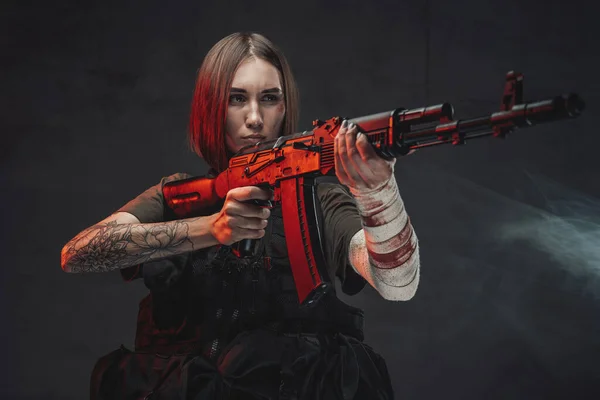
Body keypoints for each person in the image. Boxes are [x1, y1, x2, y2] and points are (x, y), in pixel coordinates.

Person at [61, 32, 420, 400]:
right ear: (211, 107)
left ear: (284, 107)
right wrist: (211, 229)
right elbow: (77, 254)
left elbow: (398, 284)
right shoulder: (180, 195)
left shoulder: (321, 200)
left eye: (269, 98)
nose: (254, 118)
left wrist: (378, 192)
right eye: (236, 99)